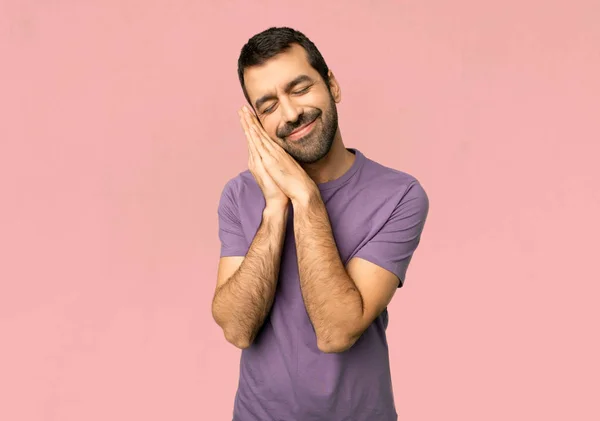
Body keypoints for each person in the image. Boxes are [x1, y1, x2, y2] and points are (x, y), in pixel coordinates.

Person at [211, 26, 430, 421]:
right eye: (269, 105)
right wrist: (275, 208)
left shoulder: (399, 195)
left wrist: (306, 198)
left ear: (332, 85)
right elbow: (236, 329)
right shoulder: (239, 195)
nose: (291, 113)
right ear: (257, 122)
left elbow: (336, 331)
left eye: (299, 89)